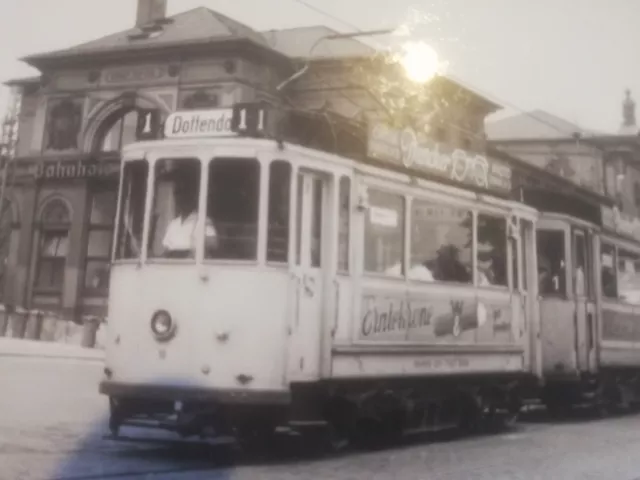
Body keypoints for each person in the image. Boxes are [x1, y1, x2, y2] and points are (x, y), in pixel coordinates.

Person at [161, 173, 218, 258]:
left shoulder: (203, 220)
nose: (181, 201)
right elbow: (166, 248)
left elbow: (214, 244)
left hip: (192, 263)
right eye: (178, 198)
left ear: (192, 199)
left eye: (184, 197)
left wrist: (200, 243)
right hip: (172, 264)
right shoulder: (173, 223)